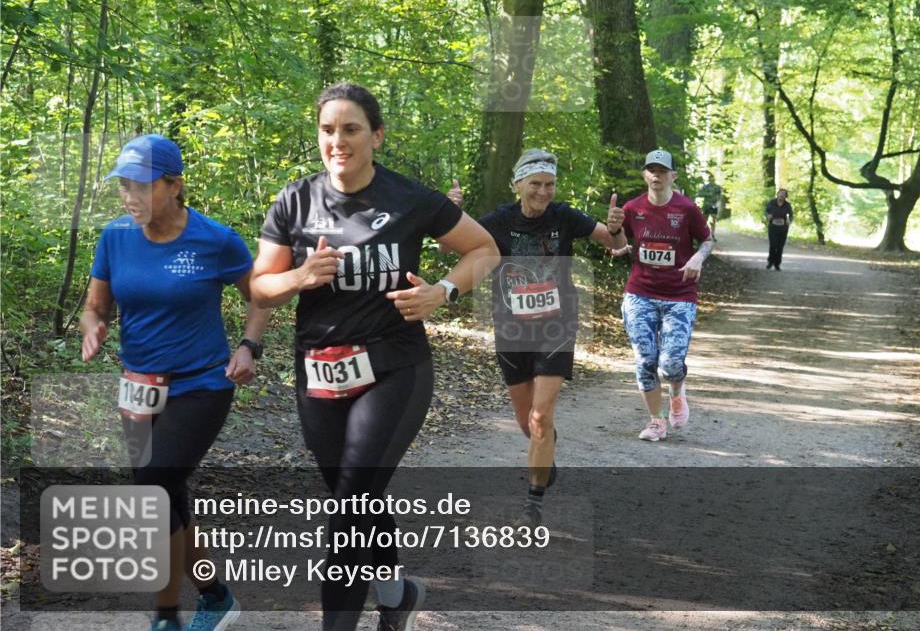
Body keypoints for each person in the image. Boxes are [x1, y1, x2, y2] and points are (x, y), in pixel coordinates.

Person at [249, 82, 499, 631]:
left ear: (376, 136)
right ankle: (396, 595)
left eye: (351, 129)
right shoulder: (295, 201)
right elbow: (260, 288)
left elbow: (485, 249)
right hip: (317, 369)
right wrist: (299, 275)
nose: (337, 140)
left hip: (394, 366)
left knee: (350, 503)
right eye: (328, 129)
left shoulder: (409, 198)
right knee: (356, 495)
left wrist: (443, 292)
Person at [80, 134, 270, 631]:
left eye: (141, 186)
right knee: (168, 495)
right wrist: (93, 326)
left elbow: (262, 295)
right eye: (123, 186)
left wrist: (249, 346)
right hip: (137, 388)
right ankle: (214, 594)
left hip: (202, 384)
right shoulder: (114, 237)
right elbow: (96, 305)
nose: (129, 196)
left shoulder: (215, 239)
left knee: (153, 485)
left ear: (174, 185)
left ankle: (167, 615)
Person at [447, 149, 626, 528]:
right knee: (527, 421)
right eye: (536, 184)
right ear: (518, 185)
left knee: (542, 417)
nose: (544, 192)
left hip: (556, 327)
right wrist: (450, 214)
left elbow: (612, 243)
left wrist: (614, 227)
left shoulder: (565, 216)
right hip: (511, 330)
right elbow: (453, 246)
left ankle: (534, 503)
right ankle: (544, 455)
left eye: (550, 184)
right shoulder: (497, 221)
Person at [617, 150, 713, 442]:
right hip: (640, 293)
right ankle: (656, 421)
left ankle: (677, 390)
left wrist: (698, 258)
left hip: (679, 295)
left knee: (670, 363)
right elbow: (619, 241)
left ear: (673, 176)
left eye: (662, 171)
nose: (656, 175)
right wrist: (616, 243)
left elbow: (708, 240)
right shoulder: (632, 208)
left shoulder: (687, 209)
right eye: (651, 170)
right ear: (645, 175)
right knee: (646, 360)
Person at [765, 188, 793, 270]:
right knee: (773, 245)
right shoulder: (771, 202)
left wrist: (789, 220)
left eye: (783, 194)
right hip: (773, 227)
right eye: (780, 194)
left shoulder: (787, 205)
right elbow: (766, 211)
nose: (781, 195)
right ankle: (770, 262)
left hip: (783, 228)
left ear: (785, 197)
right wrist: (768, 215)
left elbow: (791, 215)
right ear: (777, 194)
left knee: (780, 246)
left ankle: (777, 264)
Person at [697, 174, 722, 240]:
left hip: (714, 205)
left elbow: (719, 196)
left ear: (714, 180)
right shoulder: (705, 187)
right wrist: (707, 194)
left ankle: (712, 234)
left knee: (714, 220)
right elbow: (699, 194)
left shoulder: (717, 187)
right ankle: (704, 234)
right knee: (705, 220)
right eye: (710, 179)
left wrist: (717, 202)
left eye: (713, 179)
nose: (712, 181)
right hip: (706, 205)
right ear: (709, 180)